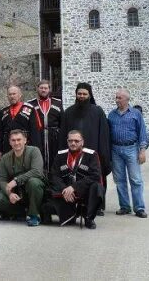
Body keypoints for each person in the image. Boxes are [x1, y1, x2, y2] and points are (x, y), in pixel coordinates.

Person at [60, 82, 111, 216]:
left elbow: (104, 134)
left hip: (93, 153)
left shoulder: (97, 111)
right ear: (76, 95)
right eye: (79, 93)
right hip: (73, 153)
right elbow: (63, 134)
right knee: (73, 178)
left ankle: (98, 206)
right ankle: (73, 204)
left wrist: (103, 154)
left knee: (96, 178)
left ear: (89, 95)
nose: (82, 96)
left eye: (84, 94)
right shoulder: (68, 112)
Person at [43, 130, 104, 229]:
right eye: (70, 141)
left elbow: (95, 176)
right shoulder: (60, 155)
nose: (73, 143)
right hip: (65, 191)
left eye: (76, 141)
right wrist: (65, 189)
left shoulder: (91, 155)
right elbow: (54, 176)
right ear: (67, 141)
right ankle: (70, 214)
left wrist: (74, 187)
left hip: (83, 190)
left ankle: (89, 218)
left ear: (82, 142)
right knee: (47, 201)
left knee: (97, 188)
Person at [108, 88, 148, 218]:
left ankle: (139, 208)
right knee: (119, 180)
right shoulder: (112, 115)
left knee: (135, 180)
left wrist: (142, 150)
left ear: (127, 99)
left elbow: (142, 132)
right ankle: (124, 206)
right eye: (116, 97)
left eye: (119, 98)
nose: (117, 100)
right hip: (115, 150)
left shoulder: (136, 114)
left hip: (131, 149)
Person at [0, 129, 45, 226]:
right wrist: (9, 194)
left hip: (33, 188)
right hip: (17, 191)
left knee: (34, 182)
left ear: (25, 140)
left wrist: (16, 180)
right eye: (13, 140)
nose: (16, 143)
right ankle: (22, 212)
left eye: (19, 139)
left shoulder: (34, 151)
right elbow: (2, 180)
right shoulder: (5, 158)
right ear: (9, 142)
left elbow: (37, 171)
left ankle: (34, 215)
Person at [28, 80, 64, 176]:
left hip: (54, 137)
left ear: (49, 90)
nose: (43, 90)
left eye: (46, 88)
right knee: (38, 158)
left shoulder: (58, 103)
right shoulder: (30, 104)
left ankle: (53, 182)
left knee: (54, 159)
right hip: (37, 136)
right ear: (37, 89)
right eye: (41, 88)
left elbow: (62, 122)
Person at [0, 86, 40, 158]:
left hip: (25, 147)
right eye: (10, 94)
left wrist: (35, 150)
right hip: (7, 148)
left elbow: (35, 131)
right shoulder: (3, 111)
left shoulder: (30, 109)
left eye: (14, 94)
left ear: (20, 95)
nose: (12, 96)